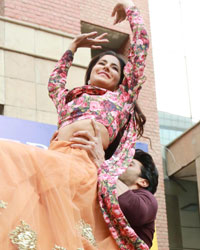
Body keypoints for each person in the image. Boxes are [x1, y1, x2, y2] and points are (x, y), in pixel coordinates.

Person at [0, 0, 150, 249]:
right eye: (101, 63)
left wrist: (131, 8)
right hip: (53, 161)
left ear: (120, 81)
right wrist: (72, 47)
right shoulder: (69, 99)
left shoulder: (121, 100)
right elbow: (54, 83)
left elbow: (141, 48)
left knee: (6, 152)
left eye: (114, 68)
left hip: (81, 167)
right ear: (90, 72)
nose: (106, 67)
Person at [70, 123, 158, 249]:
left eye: (130, 164)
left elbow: (131, 208)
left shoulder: (148, 199)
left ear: (143, 181)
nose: (120, 165)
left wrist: (101, 162)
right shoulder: (102, 187)